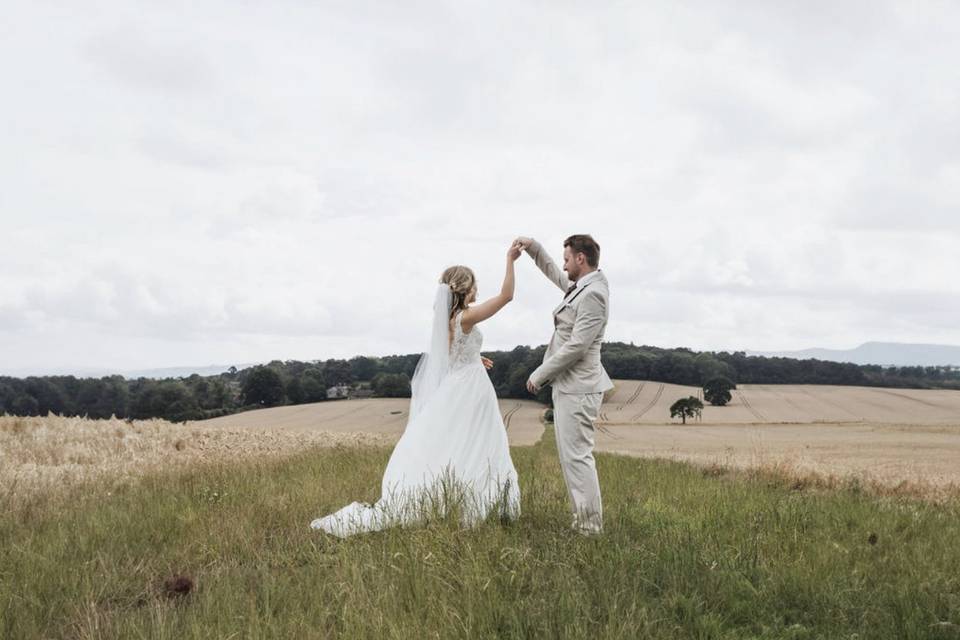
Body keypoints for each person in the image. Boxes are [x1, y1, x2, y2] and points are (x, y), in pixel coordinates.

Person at [310, 242, 524, 537]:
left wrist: (477, 357)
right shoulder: (465, 317)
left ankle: (466, 502)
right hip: (471, 390)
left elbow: (451, 355)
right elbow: (507, 296)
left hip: (462, 384)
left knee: (463, 443)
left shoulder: (450, 321)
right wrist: (510, 260)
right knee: (479, 442)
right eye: (475, 285)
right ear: (464, 289)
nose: (478, 290)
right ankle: (476, 504)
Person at [514, 234, 612, 535]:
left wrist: (539, 374)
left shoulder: (594, 294)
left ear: (581, 258)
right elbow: (556, 273)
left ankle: (590, 528)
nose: (565, 264)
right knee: (570, 459)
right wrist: (533, 249)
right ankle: (581, 521)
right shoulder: (582, 287)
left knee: (578, 459)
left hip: (579, 388)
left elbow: (578, 346)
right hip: (570, 386)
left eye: (568, 258)